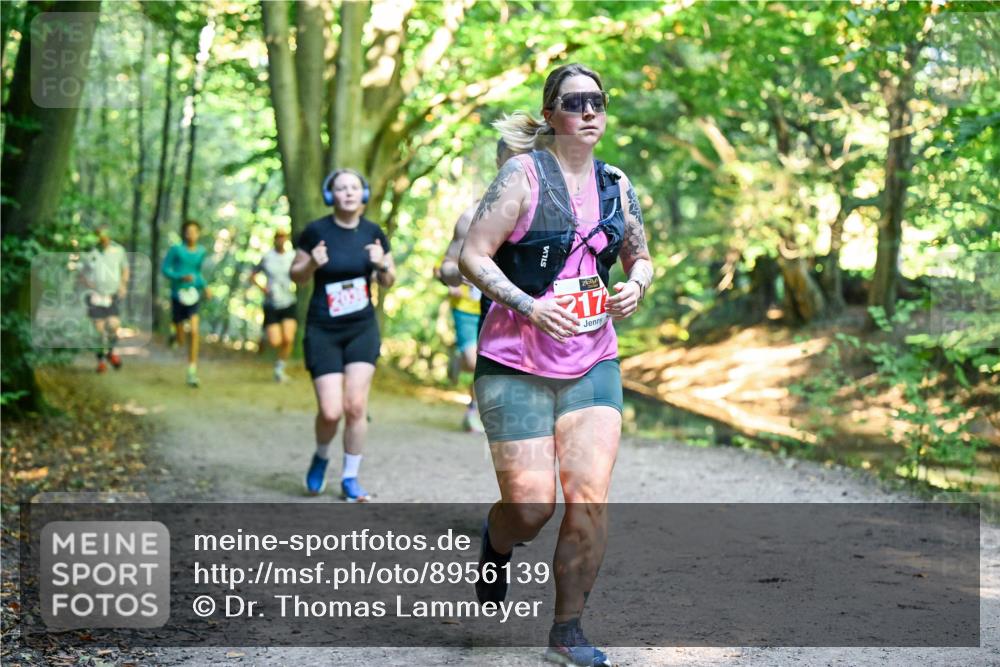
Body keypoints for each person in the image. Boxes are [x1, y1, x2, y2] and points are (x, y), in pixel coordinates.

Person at [459, 63, 653, 667]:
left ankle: (566, 631)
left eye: (598, 100)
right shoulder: (521, 176)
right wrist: (529, 305)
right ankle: (496, 543)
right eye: (575, 102)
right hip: (515, 359)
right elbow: (473, 256)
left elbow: (639, 257)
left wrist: (636, 287)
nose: (589, 111)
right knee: (531, 506)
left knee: (589, 498)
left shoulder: (618, 184)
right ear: (551, 114)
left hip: (593, 358)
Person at [290, 169, 396, 501]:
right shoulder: (316, 232)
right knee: (331, 410)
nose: (348, 193)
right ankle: (321, 456)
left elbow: (390, 280)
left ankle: (350, 477)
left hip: (361, 328)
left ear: (363, 193)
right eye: (340, 188)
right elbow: (297, 276)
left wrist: (381, 265)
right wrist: (311, 265)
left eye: (354, 187)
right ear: (330, 195)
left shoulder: (374, 233)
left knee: (355, 406)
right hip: (323, 328)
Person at [437, 139, 519, 433]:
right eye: (513, 160)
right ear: (499, 163)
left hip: (526, 318)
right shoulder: (473, 215)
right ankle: (476, 404)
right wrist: (456, 274)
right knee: (474, 360)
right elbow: (446, 265)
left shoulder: (552, 216)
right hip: (471, 307)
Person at [162, 219, 211, 387]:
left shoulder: (201, 251)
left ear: (198, 234)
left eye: (194, 231)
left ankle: (192, 371)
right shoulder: (176, 250)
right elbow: (165, 269)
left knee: (195, 331)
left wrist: (205, 287)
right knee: (181, 339)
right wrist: (179, 277)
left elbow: (197, 272)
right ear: (184, 233)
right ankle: (175, 334)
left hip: (194, 295)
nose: (191, 234)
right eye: (188, 231)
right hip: (178, 295)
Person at [250, 228, 297, 382]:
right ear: (274, 239)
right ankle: (264, 335)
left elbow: (301, 272)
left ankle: (280, 368)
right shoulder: (267, 257)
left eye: (284, 237)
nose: (281, 240)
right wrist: (263, 288)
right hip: (271, 304)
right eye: (279, 237)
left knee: (288, 338)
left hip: (288, 302)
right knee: (275, 341)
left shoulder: (293, 256)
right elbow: (252, 275)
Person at [81, 225, 129, 373]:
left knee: (114, 325)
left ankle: (110, 353)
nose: (102, 236)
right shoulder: (90, 252)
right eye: (99, 234)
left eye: (105, 233)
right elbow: (81, 272)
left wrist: (123, 284)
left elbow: (125, 269)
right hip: (95, 295)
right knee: (100, 330)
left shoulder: (118, 250)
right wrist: (88, 284)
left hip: (111, 295)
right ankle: (101, 361)